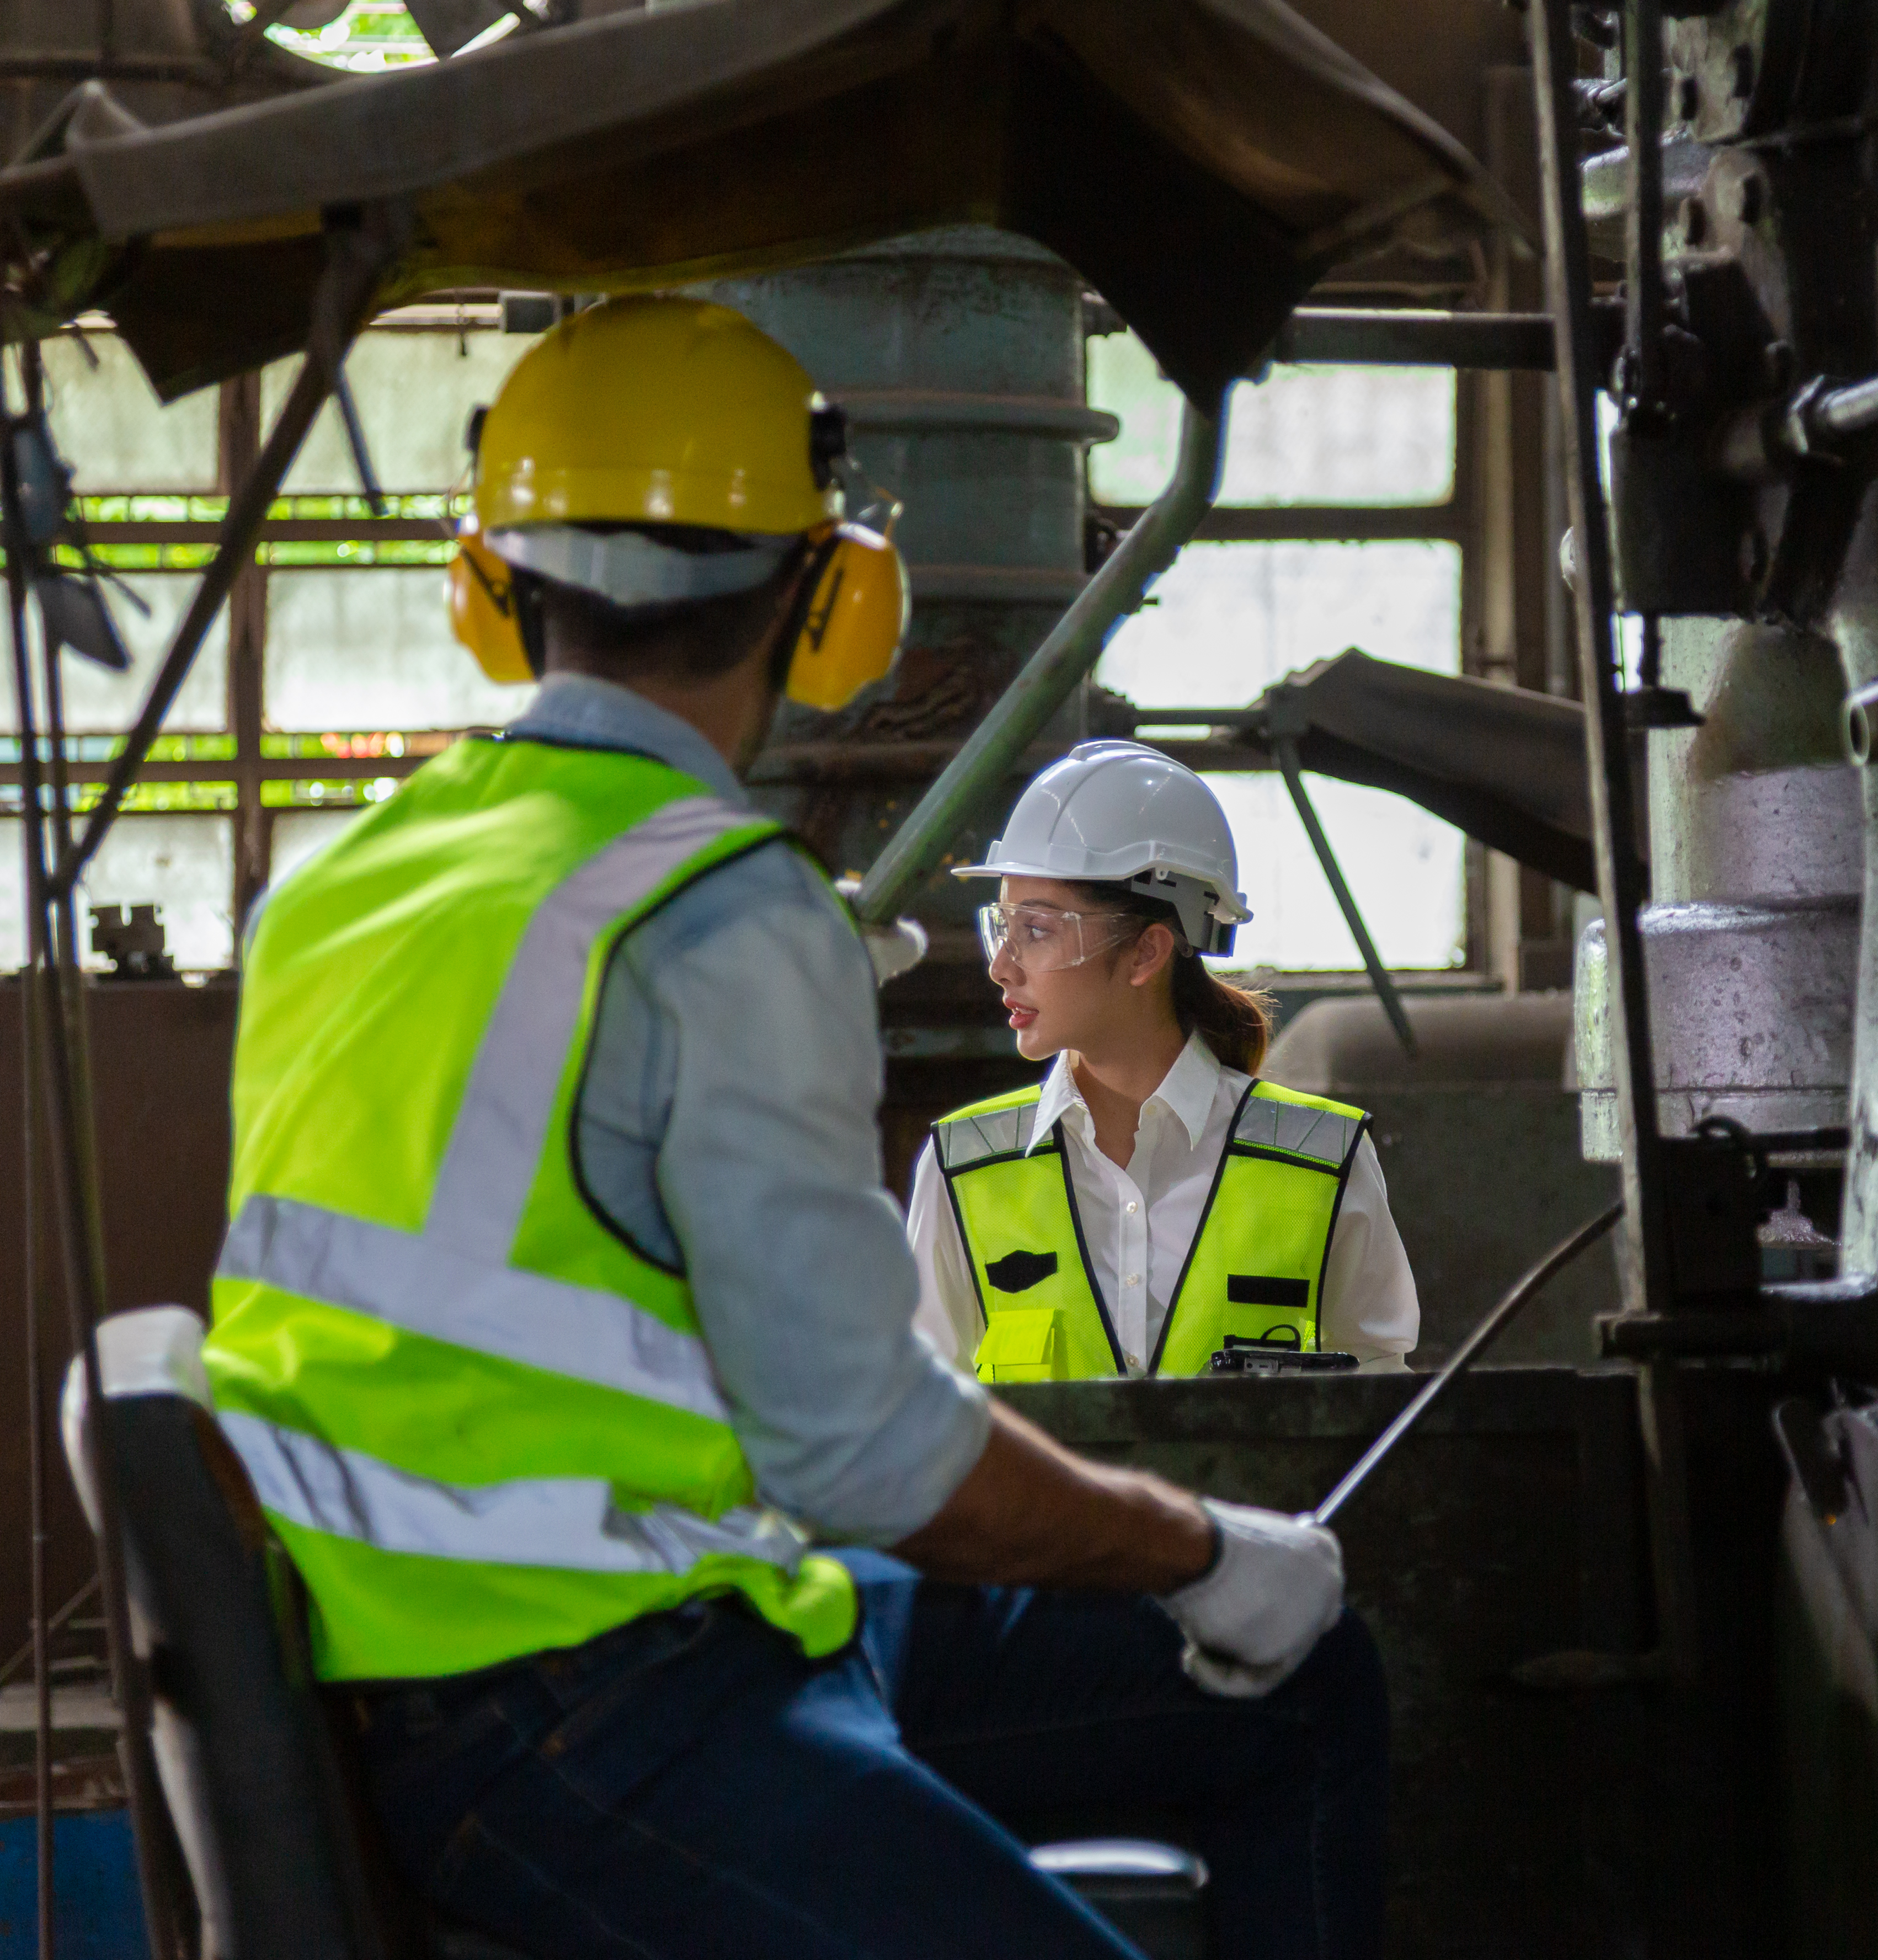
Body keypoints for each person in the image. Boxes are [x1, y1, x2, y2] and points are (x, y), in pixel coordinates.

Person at [199, 296, 1388, 1960]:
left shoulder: (327, 888)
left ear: (488, 586)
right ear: (828, 598)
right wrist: (1201, 1547)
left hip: (491, 1650)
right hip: (596, 1709)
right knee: (1283, 1649)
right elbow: (867, 1457)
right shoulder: (729, 915)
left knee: (1303, 1681)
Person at [906, 743, 1422, 1381]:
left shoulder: (1321, 1160)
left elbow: (1380, 1407)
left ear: (1146, 953)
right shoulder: (961, 1169)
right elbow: (919, 1413)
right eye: (1002, 927)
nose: (1001, 967)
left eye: (1035, 930)